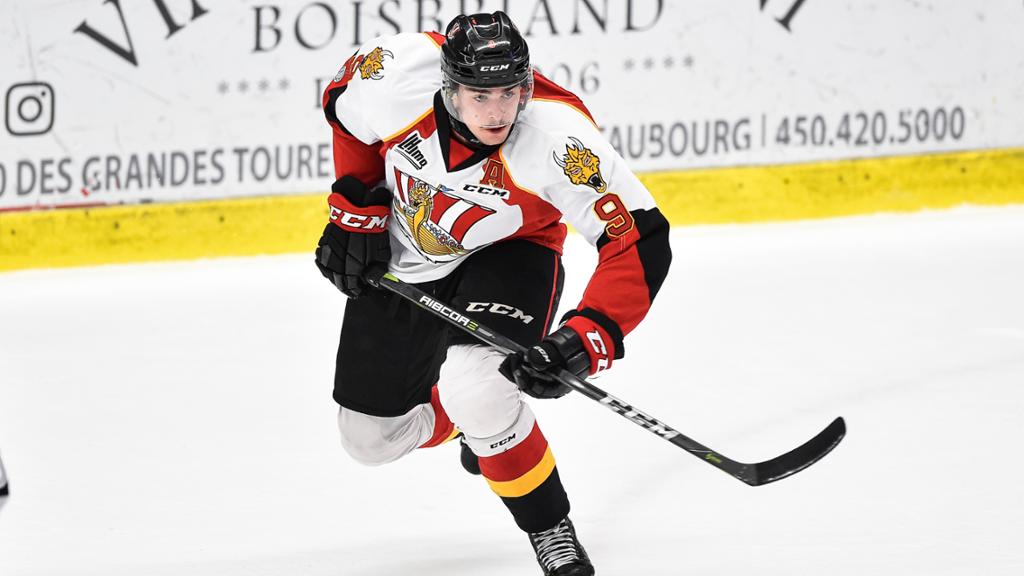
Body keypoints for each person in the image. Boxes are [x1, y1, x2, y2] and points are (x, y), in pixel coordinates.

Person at [315, 12, 671, 575]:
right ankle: (469, 426)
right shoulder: (395, 75)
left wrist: (588, 335)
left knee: (479, 391)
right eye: (480, 95)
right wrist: (356, 208)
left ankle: (549, 527)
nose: (498, 111)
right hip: (409, 254)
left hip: (511, 253)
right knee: (370, 439)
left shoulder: (558, 138)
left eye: (509, 92)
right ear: (448, 87)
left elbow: (639, 240)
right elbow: (344, 107)